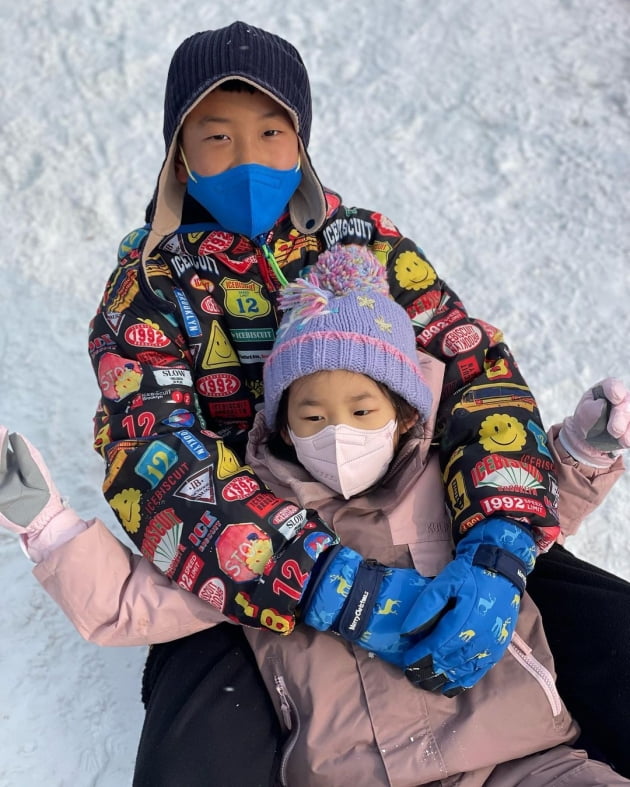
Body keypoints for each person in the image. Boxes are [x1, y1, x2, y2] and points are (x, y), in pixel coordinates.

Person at [78, 19, 627, 782]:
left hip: (418, 515)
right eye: (217, 136)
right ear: (178, 151)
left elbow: (475, 375)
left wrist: (497, 548)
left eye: (271, 132)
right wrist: (330, 583)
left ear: (300, 140)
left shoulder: (363, 242)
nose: (247, 158)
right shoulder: (147, 289)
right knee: (190, 767)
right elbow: (157, 466)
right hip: (247, 583)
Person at [1, 245, 629, 786]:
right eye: (310, 415)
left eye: (361, 411)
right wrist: (46, 525)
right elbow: (136, 600)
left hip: (520, 758)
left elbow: (533, 510)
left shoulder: (444, 484)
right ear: (280, 423)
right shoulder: (251, 532)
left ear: (405, 412)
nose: (337, 433)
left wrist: (582, 449)